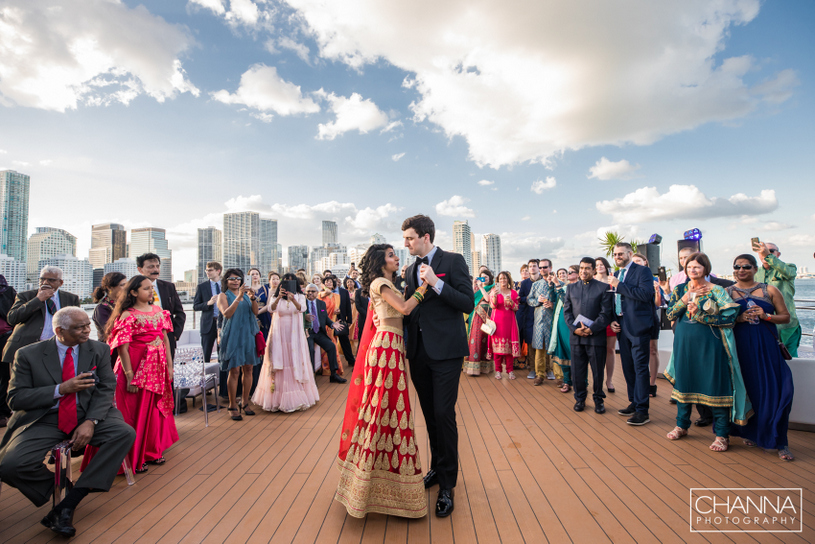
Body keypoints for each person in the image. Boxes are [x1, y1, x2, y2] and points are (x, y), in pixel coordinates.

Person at [0, 307, 135, 538]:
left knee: (124, 433)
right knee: (10, 465)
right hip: (45, 417)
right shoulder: (27, 354)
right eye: (79, 327)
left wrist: (91, 421)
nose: (87, 330)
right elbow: (15, 399)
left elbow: (105, 389)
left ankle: (70, 502)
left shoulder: (98, 349)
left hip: (88, 413)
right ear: (59, 330)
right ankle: (63, 496)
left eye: (87, 325)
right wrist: (60, 389)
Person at [334, 244, 429, 518]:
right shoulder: (380, 282)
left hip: (391, 347)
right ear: (380, 261)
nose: (397, 257)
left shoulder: (387, 282)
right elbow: (404, 308)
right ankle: (365, 486)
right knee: (381, 412)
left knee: (386, 412)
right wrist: (425, 286)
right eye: (391, 255)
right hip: (386, 348)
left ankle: (372, 485)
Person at [401, 214, 474, 518]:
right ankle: (436, 467)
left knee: (444, 413)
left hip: (446, 352)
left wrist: (436, 284)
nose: (406, 243)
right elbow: (408, 309)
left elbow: (467, 302)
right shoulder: (409, 270)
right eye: (404, 238)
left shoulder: (453, 261)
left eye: (410, 238)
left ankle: (447, 484)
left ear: (426, 237)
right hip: (419, 352)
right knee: (430, 414)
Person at [90, 275, 178, 474]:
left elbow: (165, 340)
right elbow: (122, 347)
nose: (151, 291)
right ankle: (132, 456)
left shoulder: (159, 311)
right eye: (146, 288)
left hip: (157, 366)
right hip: (135, 365)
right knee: (133, 410)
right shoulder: (127, 315)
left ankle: (151, 451)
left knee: (154, 408)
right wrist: (130, 376)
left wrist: (170, 367)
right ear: (133, 292)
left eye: (151, 288)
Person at [664, 252, 751, 452]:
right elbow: (670, 314)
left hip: (711, 344)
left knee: (716, 385)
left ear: (706, 269)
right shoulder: (680, 290)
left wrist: (702, 316)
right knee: (684, 383)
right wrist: (685, 299)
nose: (692, 270)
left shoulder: (718, 291)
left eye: (697, 267)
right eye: (689, 267)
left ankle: (722, 434)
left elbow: (729, 320)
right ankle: (681, 425)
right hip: (684, 344)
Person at [727, 254, 794, 460]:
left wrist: (766, 316)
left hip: (766, 348)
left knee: (778, 389)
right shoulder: (726, 293)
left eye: (746, 266)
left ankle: (780, 440)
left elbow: (786, 317)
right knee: (746, 390)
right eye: (737, 267)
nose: (741, 270)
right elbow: (719, 319)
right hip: (740, 349)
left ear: (755, 269)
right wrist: (739, 318)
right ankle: (750, 432)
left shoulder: (769, 290)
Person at [252, 274, 319, 412]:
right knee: (280, 360)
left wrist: (293, 300)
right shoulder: (275, 297)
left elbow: (302, 309)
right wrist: (278, 297)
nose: (288, 285)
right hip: (279, 333)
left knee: (293, 360)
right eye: (285, 282)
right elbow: (271, 309)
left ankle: (297, 397)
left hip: (295, 334)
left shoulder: (300, 296)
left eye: (291, 282)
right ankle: (276, 398)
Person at [608, 243, 656, 426]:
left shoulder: (642, 271)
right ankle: (634, 402)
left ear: (629, 253)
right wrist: (613, 318)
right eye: (615, 254)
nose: (617, 257)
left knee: (640, 367)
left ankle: (643, 411)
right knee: (628, 366)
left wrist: (619, 285)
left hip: (638, 326)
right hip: (621, 325)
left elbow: (645, 295)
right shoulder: (618, 274)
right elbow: (615, 299)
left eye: (620, 254)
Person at [2, 266, 81, 376]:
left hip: (55, 350)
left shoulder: (71, 299)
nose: (45, 282)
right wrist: (37, 300)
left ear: (61, 282)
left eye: (51, 280)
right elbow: (12, 318)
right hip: (25, 347)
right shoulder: (26, 296)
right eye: (42, 279)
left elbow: (77, 324)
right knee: (17, 387)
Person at [563, 258, 614, 414]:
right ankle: (580, 399)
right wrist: (574, 329)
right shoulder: (571, 289)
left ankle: (598, 400)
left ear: (594, 270)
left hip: (596, 337)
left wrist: (591, 329)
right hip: (576, 337)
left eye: (587, 268)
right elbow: (567, 312)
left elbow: (606, 313)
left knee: (598, 371)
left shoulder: (604, 288)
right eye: (582, 268)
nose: (584, 271)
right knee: (577, 371)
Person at [217, 268, 261, 421]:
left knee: (248, 368)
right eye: (231, 279)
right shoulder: (223, 295)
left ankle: (245, 401)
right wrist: (239, 296)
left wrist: (253, 298)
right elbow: (227, 314)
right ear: (226, 281)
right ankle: (232, 405)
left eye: (238, 278)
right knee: (234, 370)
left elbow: (255, 312)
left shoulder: (248, 295)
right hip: (233, 336)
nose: (235, 281)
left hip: (248, 335)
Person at [753, 241, 800, 357]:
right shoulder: (755, 273)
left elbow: (789, 273)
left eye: (771, 251)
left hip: (786, 327)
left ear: (778, 254)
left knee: (791, 361)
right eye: (762, 251)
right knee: (768, 359)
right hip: (764, 325)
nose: (765, 253)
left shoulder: (789, 267)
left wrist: (767, 256)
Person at [135, 253, 185, 359]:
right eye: (150, 267)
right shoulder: (134, 289)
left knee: (168, 371)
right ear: (140, 269)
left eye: (157, 266)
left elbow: (180, 312)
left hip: (168, 338)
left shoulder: (169, 287)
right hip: (144, 340)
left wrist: (175, 334)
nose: (155, 269)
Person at [631, 253, 664, 398]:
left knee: (652, 350)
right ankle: (639, 384)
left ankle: (652, 383)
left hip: (650, 318)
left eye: (638, 261)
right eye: (634, 262)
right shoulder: (628, 279)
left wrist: (657, 291)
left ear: (645, 262)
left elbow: (658, 304)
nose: (636, 263)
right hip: (634, 320)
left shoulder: (653, 279)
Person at [303, 284, 347, 384]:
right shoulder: (302, 304)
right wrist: (305, 317)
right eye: (308, 291)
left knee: (331, 346)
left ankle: (333, 374)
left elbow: (325, 318)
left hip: (319, 332)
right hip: (307, 332)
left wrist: (332, 324)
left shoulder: (321, 304)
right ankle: (311, 377)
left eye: (313, 291)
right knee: (310, 350)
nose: (310, 293)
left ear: (317, 293)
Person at [548, 265, 579, 392]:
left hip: (572, 323)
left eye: (571, 272)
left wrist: (557, 285)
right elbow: (552, 298)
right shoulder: (565, 286)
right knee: (563, 351)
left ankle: (580, 382)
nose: (568, 273)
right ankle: (567, 381)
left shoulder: (579, 287)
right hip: (560, 322)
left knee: (574, 352)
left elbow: (566, 301)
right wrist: (551, 285)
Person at [488, 271, 521, 379]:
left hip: (509, 322)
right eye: (500, 279)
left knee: (509, 349)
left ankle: (510, 370)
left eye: (505, 278)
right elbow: (493, 306)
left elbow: (516, 308)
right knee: (497, 348)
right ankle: (498, 370)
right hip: (497, 321)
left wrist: (511, 301)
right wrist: (495, 296)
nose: (503, 280)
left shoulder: (513, 292)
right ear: (497, 281)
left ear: (508, 280)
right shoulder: (494, 291)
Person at [527, 262, 556, 386]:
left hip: (553, 321)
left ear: (550, 268)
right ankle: (539, 375)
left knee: (554, 348)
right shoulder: (536, 285)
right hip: (539, 321)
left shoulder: (557, 283)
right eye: (541, 267)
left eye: (545, 267)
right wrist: (537, 301)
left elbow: (564, 301)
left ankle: (557, 374)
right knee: (539, 349)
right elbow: (529, 299)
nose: (543, 269)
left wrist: (552, 305)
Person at [463, 269, 495, 376]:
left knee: (485, 340)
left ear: (490, 278)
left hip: (486, 316)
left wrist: (481, 287)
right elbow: (471, 297)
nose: (484, 279)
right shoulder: (478, 288)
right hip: (475, 316)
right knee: (474, 339)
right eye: (482, 277)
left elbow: (488, 299)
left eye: (486, 277)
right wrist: (474, 284)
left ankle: (485, 367)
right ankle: (473, 367)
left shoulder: (492, 288)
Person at [594, 257, 618, 393]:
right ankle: (597, 381)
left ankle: (609, 380)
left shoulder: (612, 280)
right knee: (597, 351)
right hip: (595, 320)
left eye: (602, 264)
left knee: (610, 350)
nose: (599, 266)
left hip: (609, 319)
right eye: (597, 265)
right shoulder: (591, 281)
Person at [193, 261, 222, 365]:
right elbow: (195, 306)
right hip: (208, 324)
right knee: (206, 354)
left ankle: (221, 379)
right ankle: (205, 378)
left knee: (222, 353)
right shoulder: (202, 287)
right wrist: (208, 303)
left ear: (218, 271)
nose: (207, 272)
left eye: (210, 270)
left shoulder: (226, 286)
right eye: (207, 270)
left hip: (223, 323)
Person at [0, 275, 19, 428]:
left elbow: (14, 315)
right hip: (5, 337)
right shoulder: (8, 291)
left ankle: (3, 413)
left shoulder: (8, 292)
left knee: (5, 375)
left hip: (5, 338)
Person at [518, 259, 541, 378]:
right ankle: (532, 368)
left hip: (542, 315)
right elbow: (520, 298)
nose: (532, 268)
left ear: (538, 267)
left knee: (544, 343)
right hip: (529, 315)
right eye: (530, 266)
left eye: (534, 266)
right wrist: (529, 299)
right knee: (531, 342)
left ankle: (547, 369)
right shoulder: (525, 283)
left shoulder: (544, 281)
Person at [318, 276, 346, 375]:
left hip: (333, 323)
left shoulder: (336, 296)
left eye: (330, 282)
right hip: (323, 324)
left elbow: (337, 309)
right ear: (323, 284)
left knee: (333, 344)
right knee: (324, 347)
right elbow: (320, 310)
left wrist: (337, 312)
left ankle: (334, 369)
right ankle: (325, 369)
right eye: (326, 282)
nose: (329, 283)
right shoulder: (320, 294)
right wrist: (324, 288)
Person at [91, 272, 127, 343]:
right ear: (109, 287)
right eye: (122, 285)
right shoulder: (101, 309)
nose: (126, 288)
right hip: (109, 349)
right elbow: (110, 332)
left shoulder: (125, 304)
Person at [336, 276, 357, 366]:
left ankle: (351, 360)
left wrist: (349, 319)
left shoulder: (344, 292)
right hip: (329, 320)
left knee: (345, 341)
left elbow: (348, 306)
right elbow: (321, 309)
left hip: (342, 320)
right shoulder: (323, 293)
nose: (336, 283)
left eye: (337, 281)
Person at [343, 277, 360, 354]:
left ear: (354, 283)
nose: (350, 283)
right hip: (348, 312)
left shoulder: (357, 291)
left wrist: (353, 299)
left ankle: (355, 351)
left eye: (351, 282)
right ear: (346, 284)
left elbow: (358, 299)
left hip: (356, 312)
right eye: (348, 282)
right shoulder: (344, 292)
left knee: (356, 330)